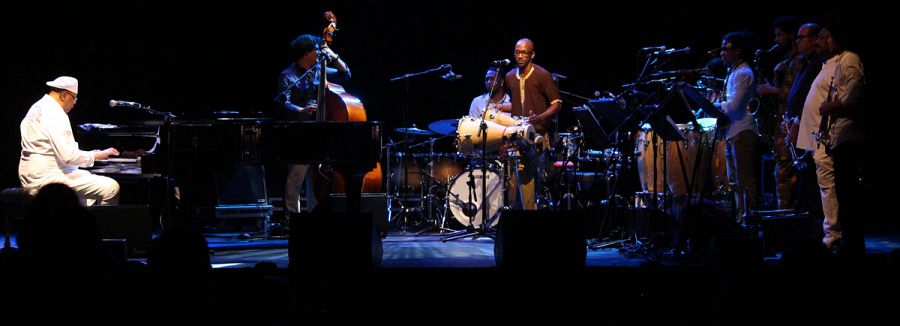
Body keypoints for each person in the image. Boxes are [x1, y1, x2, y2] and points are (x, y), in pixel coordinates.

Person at [795, 21, 865, 257]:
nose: (819, 42)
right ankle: (833, 235)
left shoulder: (847, 59)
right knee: (830, 188)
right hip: (827, 136)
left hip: (840, 136)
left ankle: (836, 237)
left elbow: (850, 96)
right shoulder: (828, 64)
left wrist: (829, 107)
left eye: (825, 38)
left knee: (839, 190)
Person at [18, 76, 120, 206]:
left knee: (86, 188)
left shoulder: (38, 106)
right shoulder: (54, 113)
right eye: (74, 98)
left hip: (33, 175)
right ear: (64, 95)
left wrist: (90, 154)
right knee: (111, 187)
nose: (75, 103)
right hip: (47, 177)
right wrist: (96, 155)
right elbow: (68, 156)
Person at [277, 34, 350, 213]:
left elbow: (345, 74)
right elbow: (283, 102)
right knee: (296, 178)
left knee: (317, 178)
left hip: (320, 132)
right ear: (306, 53)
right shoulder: (288, 75)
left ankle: (315, 216)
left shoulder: (319, 71)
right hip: (299, 134)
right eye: (316, 50)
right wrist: (301, 110)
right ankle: (291, 219)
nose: (319, 53)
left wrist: (333, 56)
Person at [502, 38, 562, 210]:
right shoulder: (509, 76)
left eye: (524, 52)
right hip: (516, 134)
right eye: (517, 52)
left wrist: (540, 117)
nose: (520, 56)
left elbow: (557, 103)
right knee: (512, 178)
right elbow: (518, 102)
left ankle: (531, 210)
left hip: (537, 135)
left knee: (530, 177)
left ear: (532, 54)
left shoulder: (542, 75)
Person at [756, 16, 802, 209]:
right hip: (781, 120)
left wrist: (771, 90)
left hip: (791, 122)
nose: (776, 40)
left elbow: (797, 93)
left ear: (791, 35)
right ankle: (784, 211)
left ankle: (785, 213)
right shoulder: (787, 60)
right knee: (781, 170)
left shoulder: (799, 61)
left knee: (784, 170)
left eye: (780, 35)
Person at [713, 32, 759, 224]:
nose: (721, 53)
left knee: (744, 181)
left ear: (738, 50)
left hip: (742, 132)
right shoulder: (733, 72)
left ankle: (750, 221)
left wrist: (713, 105)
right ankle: (741, 219)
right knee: (735, 182)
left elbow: (734, 106)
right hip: (732, 132)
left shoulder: (743, 73)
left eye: (726, 48)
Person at [785, 23, 826, 219]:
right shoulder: (806, 63)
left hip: (810, 128)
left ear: (814, 39)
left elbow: (811, 98)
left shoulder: (818, 64)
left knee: (809, 179)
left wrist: (797, 122)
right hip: (797, 125)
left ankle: (813, 222)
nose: (797, 41)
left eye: (801, 38)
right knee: (803, 178)